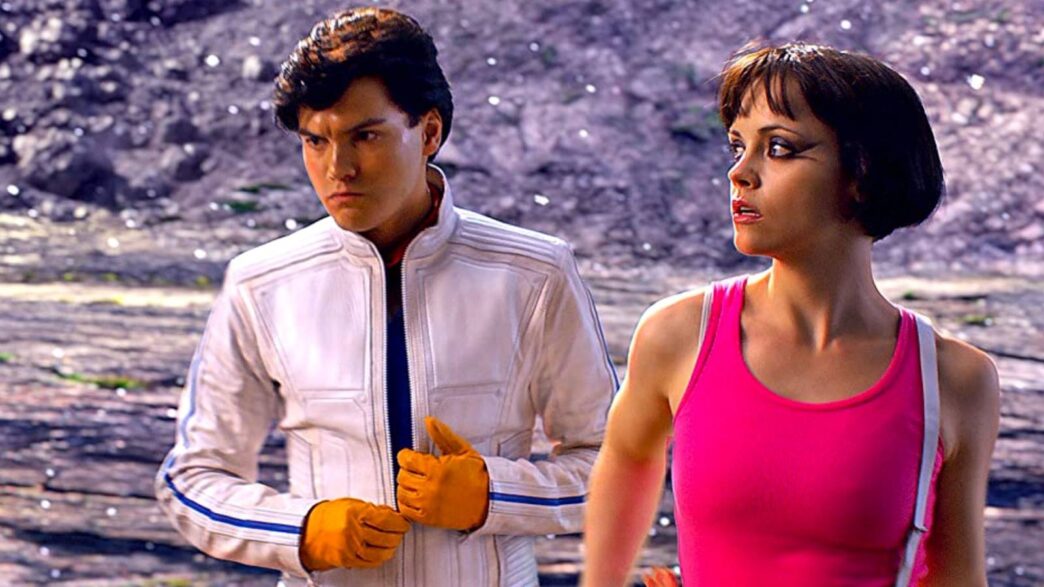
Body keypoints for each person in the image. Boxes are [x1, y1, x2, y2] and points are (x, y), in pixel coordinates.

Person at [154, 7, 617, 586]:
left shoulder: (534, 272)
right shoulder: (262, 284)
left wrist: (494, 495)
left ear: (429, 132)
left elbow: (615, 463)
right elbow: (193, 478)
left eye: (365, 136)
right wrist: (300, 530)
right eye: (315, 141)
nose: (338, 168)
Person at [581, 43, 1000, 587]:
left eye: (779, 148)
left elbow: (958, 577)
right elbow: (626, 461)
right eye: (738, 146)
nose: (739, 173)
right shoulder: (678, 334)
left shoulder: (954, 380)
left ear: (864, 172)